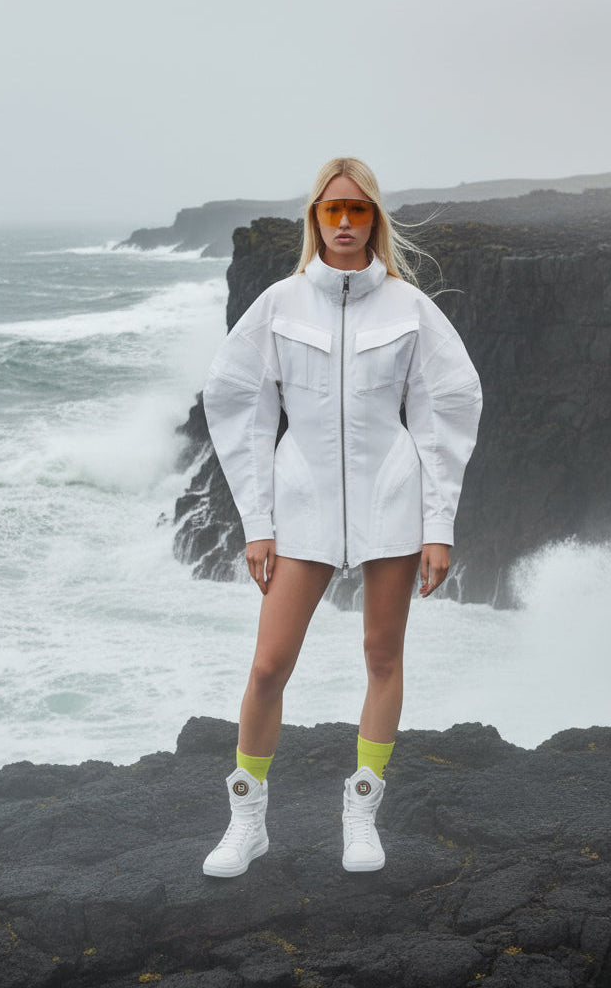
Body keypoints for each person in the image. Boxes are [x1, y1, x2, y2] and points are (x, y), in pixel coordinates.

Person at [201, 157, 482, 876]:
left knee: (382, 658)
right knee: (268, 667)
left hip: (394, 504)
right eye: (334, 210)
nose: (347, 222)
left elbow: (447, 407)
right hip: (302, 510)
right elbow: (239, 407)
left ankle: (361, 812)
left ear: (375, 219)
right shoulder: (280, 304)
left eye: (359, 210)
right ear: (316, 220)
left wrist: (437, 526)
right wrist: (257, 521)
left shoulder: (411, 309)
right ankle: (247, 820)